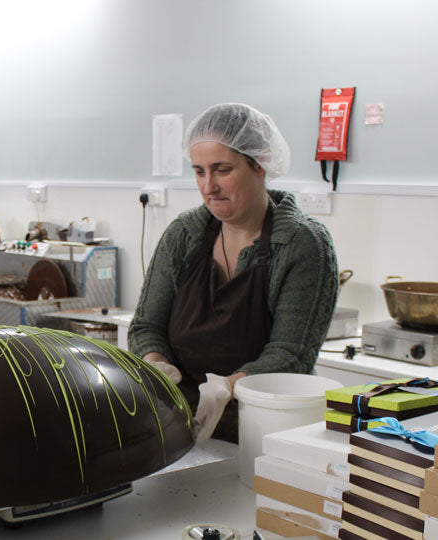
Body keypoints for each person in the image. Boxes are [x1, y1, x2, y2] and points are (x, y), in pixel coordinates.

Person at [128, 103, 339, 443]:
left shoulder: (303, 244)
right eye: (199, 171)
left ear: (260, 164)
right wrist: (155, 362)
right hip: (177, 425)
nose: (209, 186)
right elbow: (146, 326)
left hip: (265, 433)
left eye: (222, 169)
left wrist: (227, 387)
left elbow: (292, 355)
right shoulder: (185, 234)